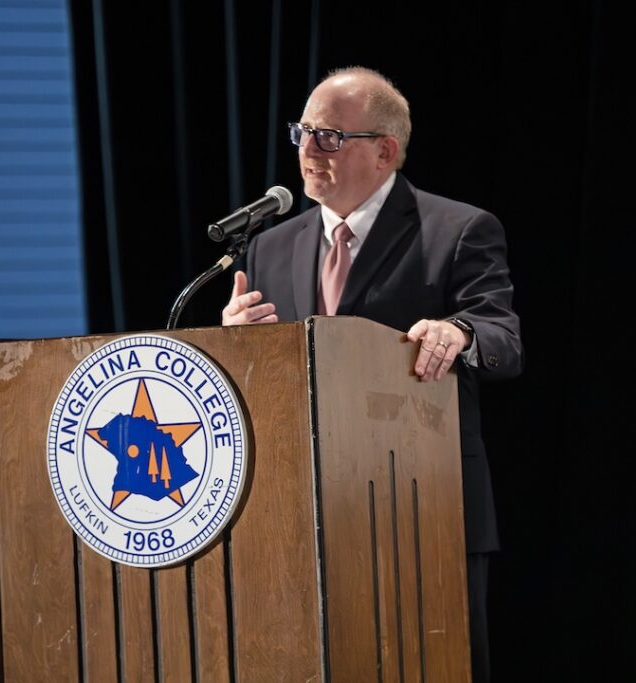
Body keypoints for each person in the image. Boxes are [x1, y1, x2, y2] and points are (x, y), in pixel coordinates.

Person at [221, 66, 522, 682]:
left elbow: (504, 339)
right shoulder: (271, 247)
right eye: (301, 133)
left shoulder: (458, 230)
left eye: (328, 136)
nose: (307, 151)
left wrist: (458, 333)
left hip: (424, 508)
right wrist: (236, 350)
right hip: (305, 514)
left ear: (385, 151)